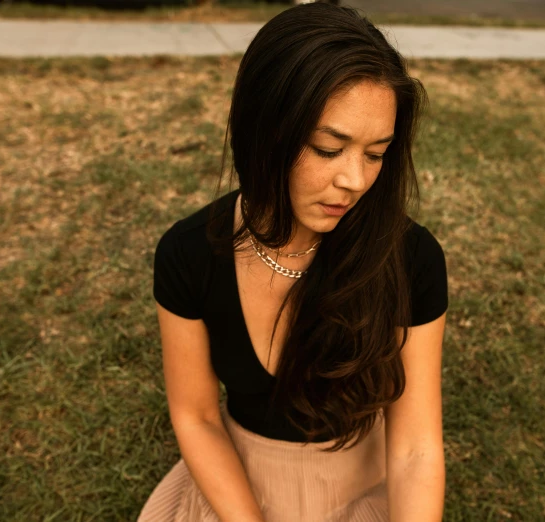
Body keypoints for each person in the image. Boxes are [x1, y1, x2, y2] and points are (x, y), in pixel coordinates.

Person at [138, 3, 449, 521]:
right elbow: (196, 417)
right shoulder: (189, 253)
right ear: (265, 132)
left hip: (360, 486)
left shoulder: (411, 259)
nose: (355, 180)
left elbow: (416, 448)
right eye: (329, 148)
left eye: (376, 154)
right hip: (237, 485)